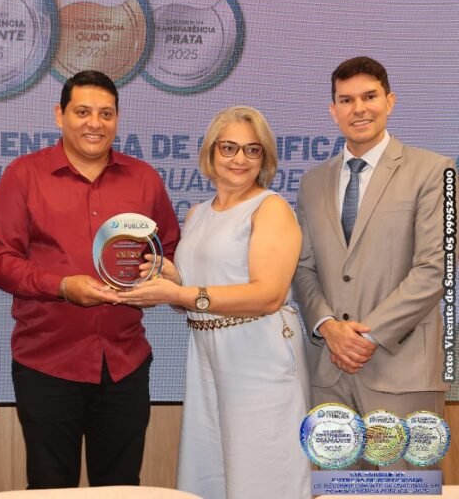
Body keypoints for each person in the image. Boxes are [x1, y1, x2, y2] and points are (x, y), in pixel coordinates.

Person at [0, 70, 180, 489]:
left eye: (106, 114)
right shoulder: (24, 175)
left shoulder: (144, 178)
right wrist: (62, 287)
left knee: (121, 488)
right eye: (82, 112)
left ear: (117, 119)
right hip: (48, 362)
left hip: (125, 362)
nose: (95, 123)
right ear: (59, 115)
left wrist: (157, 281)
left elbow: (167, 250)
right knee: (50, 488)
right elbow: (0, 261)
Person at [118, 106, 311, 499]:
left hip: (259, 359)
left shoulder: (271, 207)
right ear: (211, 152)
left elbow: (268, 295)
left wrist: (179, 293)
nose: (240, 159)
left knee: (264, 477)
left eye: (252, 150)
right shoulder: (198, 214)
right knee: (213, 473)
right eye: (229, 148)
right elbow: (199, 296)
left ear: (264, 158)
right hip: (207, 358)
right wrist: (172, 279)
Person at [293, 56, 452, 466]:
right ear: (333, 110)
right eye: (346, 100)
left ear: (390, 102)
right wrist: (328, 327)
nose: (359, 109)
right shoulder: (312, 183)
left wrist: (366, 338)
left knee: (405, 490)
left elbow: (435, 270)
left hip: (403, 373)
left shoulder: (435, 171)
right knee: (336, 490)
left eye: (369, 97)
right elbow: (304, 269)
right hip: (329, 374)